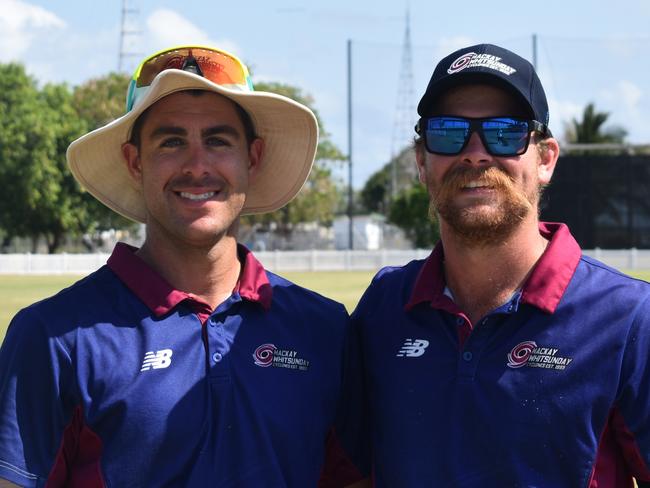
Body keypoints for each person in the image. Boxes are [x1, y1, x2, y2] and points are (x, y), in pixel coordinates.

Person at [0, 45, 363, 487]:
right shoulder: (54, 337)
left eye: (218, 140)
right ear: (135, 162)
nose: (197, 166)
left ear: (253, 157)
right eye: (171, 142)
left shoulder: (323, 328)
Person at [347, 44, 650, 487]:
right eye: (449, 133)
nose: (475, 153)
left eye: (505, 133)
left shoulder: (628, 317)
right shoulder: (385, 306)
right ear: (421, 162)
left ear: (545, 159)